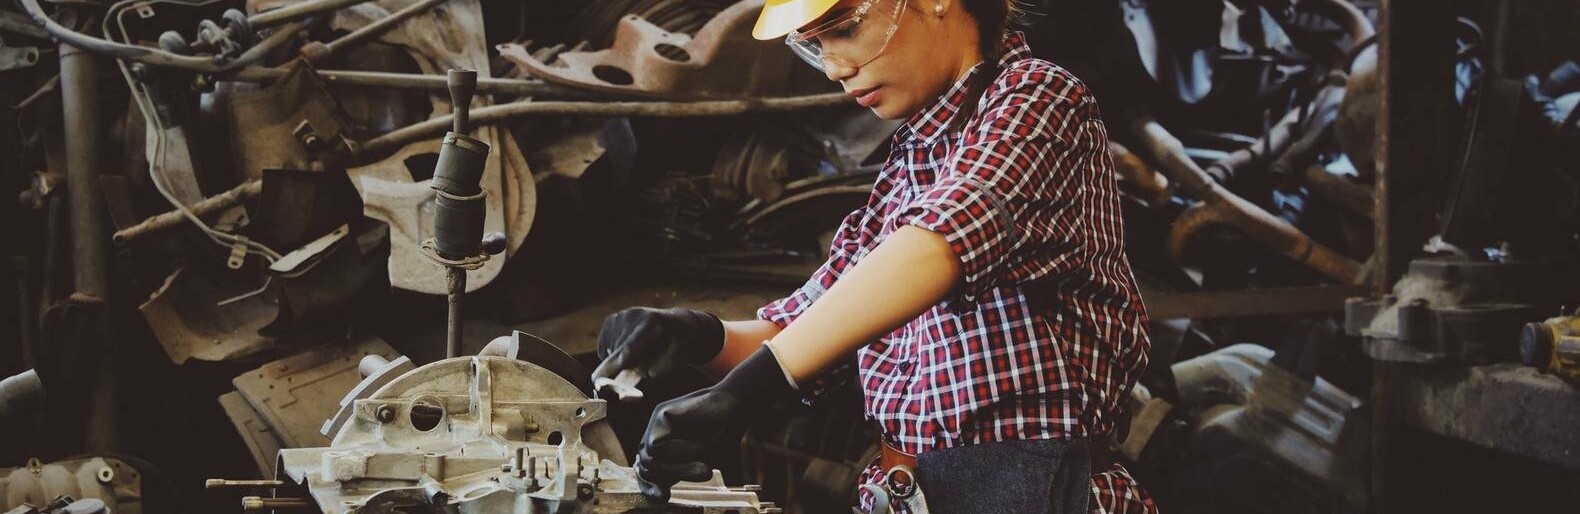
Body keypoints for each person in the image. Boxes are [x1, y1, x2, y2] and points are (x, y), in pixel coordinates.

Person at [592, 0, 1156, 511]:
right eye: (815, 45)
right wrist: (693, 334)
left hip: (1035, 489)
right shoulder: (906, 169)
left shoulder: (1040, 98)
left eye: (845, 29)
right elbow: (806, 330)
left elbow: (940, 242)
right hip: (910, 493)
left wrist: (746, 391)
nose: (834, 68)